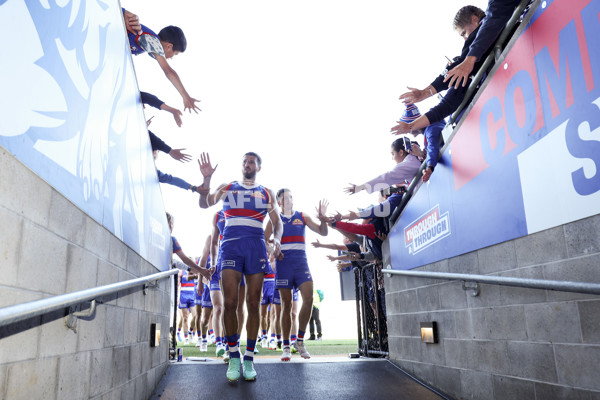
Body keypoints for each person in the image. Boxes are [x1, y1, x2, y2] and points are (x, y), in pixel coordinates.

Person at [197, 152, 283, 382]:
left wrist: (277, 240)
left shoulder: (266, 192)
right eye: (245, 161)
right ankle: (233, 354)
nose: (247, 164)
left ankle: (249, 358)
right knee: (230, 303)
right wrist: (206, 181)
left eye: (252, 162)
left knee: (253, 303)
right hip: (231, 247)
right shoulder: (228, 187)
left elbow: (277, 223)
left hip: (255, 247)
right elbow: (204, 203)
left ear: (259, 167)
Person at [264, 189, 328, 362]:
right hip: (284, 264)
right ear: (278, 202)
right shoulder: (275, 220)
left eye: (290, 197)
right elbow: (263, 239)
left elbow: (323, 232)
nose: (288, 200)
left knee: (308, 298)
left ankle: (299, 341)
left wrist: (324, 220)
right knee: (286, 305)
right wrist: (273, 251)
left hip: (301, 264)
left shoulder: (302, 216)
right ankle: (285, 346)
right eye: (284, 198)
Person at [122, 8, 200, 113]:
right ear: (169, 46)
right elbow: (168, 71)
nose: (171, 58)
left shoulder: (145, 45)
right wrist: (186, 96)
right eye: (175, 54)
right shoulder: (154, 42)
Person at [445, 1, 523, 89]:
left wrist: (469, 59)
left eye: (464, 33)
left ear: (474, 19)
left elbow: (494, 18)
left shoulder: (491, 25)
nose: (465, 39)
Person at [345, 137, 421, 195]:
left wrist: (361, 187)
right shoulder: (415, 158)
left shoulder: (407, 163)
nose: (392, 158)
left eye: (393, 154)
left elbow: (387, 177)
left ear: (401, 152)